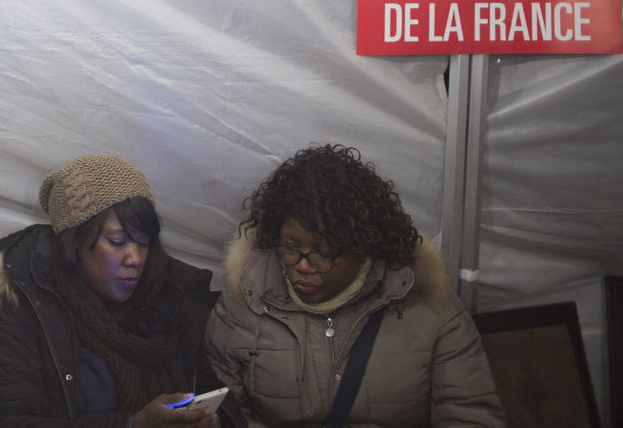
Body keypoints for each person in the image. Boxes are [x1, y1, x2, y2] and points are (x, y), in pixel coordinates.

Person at [203, 144, 504, 428]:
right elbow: (225, 415)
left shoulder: (427, 304)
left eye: (324, 252)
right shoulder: (245, 302)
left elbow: (471, 415)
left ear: (363, 247)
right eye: (291, 247)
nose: (303, 265)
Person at [0, 153, 238, 428]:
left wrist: (210, 420)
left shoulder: (166, 301)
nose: (136, 259)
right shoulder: (13, 311)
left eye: (143, 242)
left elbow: (212, 392)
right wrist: (132, 425)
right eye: (117, 241)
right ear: (73, 245)